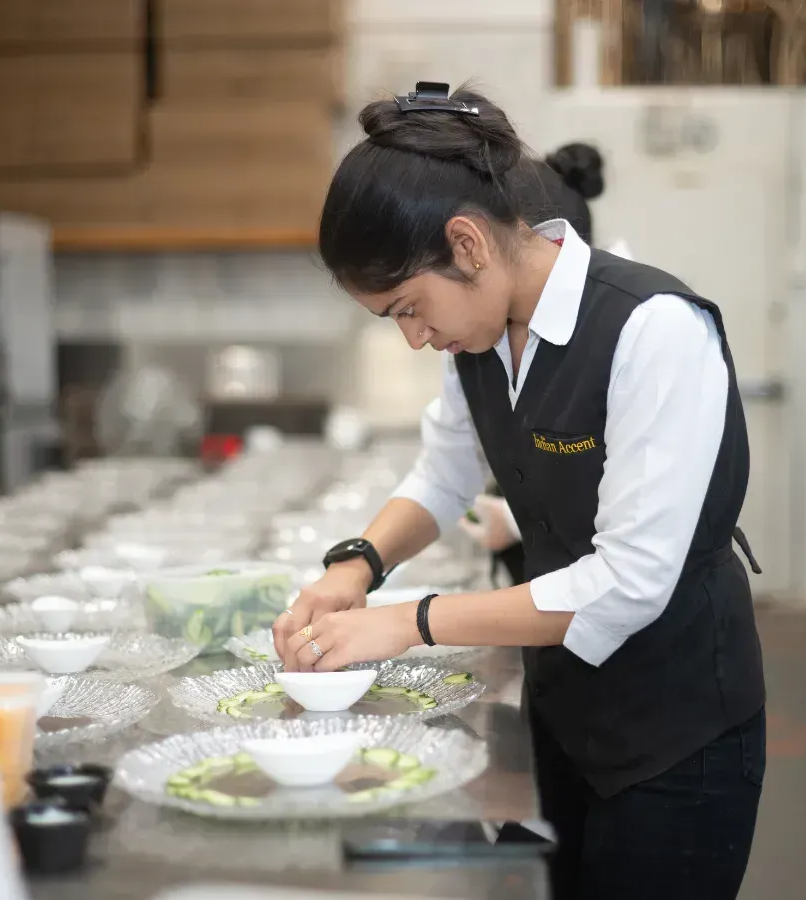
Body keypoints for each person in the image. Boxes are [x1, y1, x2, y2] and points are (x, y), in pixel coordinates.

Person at [273, 82, 766, 900]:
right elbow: (444, 474)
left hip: (678, 730)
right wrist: (355, 567)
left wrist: (408, 621)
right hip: (563, 710)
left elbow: (628, 581)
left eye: (409, 308)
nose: (414, 336)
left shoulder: (653, 328)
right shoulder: (477, 338)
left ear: (466, 243)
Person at [463, 142, 633, 586]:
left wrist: (512, 522)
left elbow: (638, 539)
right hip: (546, 588)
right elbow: (447, 459)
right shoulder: (472, 326)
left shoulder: (639, 326)